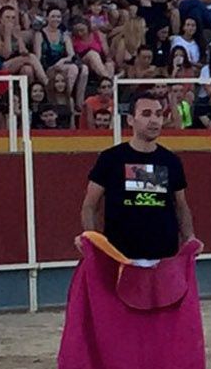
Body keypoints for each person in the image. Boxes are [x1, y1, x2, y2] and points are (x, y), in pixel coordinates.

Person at [81, 91, 193, 259]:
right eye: (146, 114)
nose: (154, 120)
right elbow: (90, 205)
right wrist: (91, 240)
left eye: (158, 114)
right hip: (120, 257)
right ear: (131, 119)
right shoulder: (110, 159)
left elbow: (181, 206)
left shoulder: (171, 161)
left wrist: (189, 238)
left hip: (164, 257)